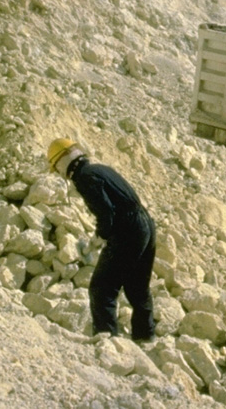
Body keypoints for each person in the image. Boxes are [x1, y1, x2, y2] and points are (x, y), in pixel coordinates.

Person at [47, 138, 157, 341]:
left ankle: (107, 341)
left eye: (56, 168)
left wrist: (99, 238)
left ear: (61, 162)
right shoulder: (99, 169)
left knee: (102, 289)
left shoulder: (84, 178)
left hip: (128, 230)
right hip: (146, 225)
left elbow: (106, 213)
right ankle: (146, 338)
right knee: (138, 288)